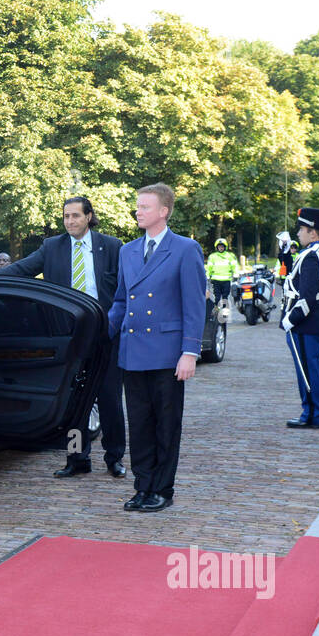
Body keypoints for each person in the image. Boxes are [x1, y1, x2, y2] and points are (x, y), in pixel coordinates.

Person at [0, 196, 126, 478]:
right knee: (73, 401)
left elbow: (124, 290)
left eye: (76, 216)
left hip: (106, 334)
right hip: (70, 335)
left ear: (89, 216)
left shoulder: (112, 247)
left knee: (110, 400)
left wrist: (114, 325)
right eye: (66, 216)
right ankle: (77, 458)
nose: (70, 222)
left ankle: (114, 457)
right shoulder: (52, 247)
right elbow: (22, 270)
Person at [108, 183, 206, 512]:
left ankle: (163, 489)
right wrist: (102, 333)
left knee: (166, 424)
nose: (138, 211)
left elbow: (194, 305)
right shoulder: (127, 251)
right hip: (133, 351)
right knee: (139, 423)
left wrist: (189, 352)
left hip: (167, 353)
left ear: (163, 212)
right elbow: (121, 301)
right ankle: (142, 486)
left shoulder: (185, 248)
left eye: (145, 207)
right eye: (138, 206)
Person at [282, 208, 319, 429]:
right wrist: (284, 253)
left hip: (306, 322)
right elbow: (293, 279)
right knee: (309, 368)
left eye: (302, 229)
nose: (299, 233)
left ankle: (312, 414)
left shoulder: (313, 256)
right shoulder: (313, 253)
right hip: (309, 322)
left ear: (313, 233)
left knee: (308, 370)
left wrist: (290, 320)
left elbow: (308, 297)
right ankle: (313, 412)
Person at [206, 237, 238, 306]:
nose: (221, 248)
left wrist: (236, 275)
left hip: (226, 280)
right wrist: (207, 276)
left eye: (222, 247)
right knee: (217, 297)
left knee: (225, 297)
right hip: (216, 280)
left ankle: (224, 310)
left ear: (225, 247)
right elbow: (209, 267)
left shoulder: (230, 256)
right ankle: (216, 310)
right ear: (216, 247)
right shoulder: (212, 256)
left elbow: (235, 266)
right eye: (219, 247)